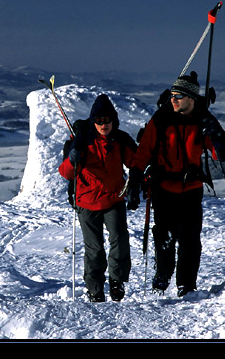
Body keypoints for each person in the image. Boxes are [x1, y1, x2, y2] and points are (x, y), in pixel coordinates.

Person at [126, 72, 225, 297]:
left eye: (179, 96)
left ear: (191, 99)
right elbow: (143, 151)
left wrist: (216, 134)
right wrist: (135, 180)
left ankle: (186, 284)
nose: (173, 99)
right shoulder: (161, 119)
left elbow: (221, 154)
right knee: (163, 236)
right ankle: (163, 276)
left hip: (191, 189)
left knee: (190, 239)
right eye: (172, 95)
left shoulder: (202, 120)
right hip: (163, 188)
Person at [58, 94, 137, 302]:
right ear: (93, 122)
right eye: (99, 121)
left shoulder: (120, 140)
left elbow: (136, 164)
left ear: (114, 120)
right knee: (94, 248)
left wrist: (140, 183)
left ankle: (117, 281)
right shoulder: (82, 142)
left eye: (107, 120)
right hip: (87, 202)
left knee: (119, 240)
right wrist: (72, 159)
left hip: (114, 199)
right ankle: (95, 288)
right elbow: (67, 173)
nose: (104, 124)